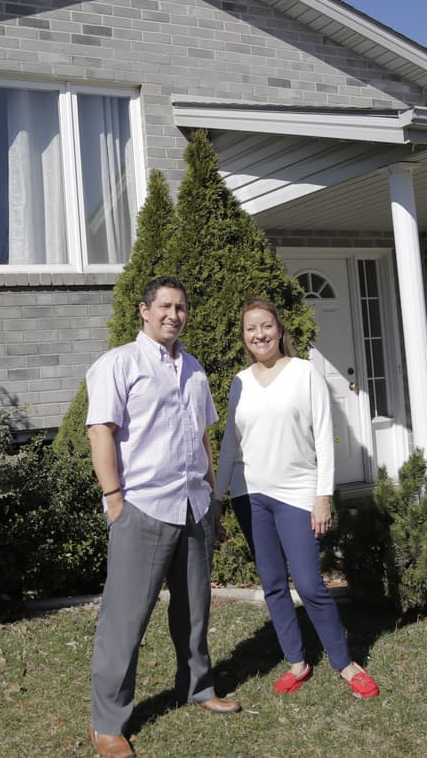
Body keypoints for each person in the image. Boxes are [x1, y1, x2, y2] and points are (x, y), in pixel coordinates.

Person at [86, 276, 241, 758]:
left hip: (193, 506)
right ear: (144, 311)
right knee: (125, 620)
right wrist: (115, 500)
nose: (174, 314)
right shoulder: (119, 364)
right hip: (144, 508)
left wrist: (212, 502)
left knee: (194, 610)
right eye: (165, 306)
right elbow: (101, 432)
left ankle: (197, 687)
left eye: (181, 307)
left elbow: (202, 441)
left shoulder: (193, 369)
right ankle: (108, 723)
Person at [215, 298, 380, 699]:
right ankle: (297, 662)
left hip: (297, 493)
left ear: (280, 329)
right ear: (243, 336)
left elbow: (324, 435)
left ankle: (344, 662)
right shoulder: (240, 382)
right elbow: (230, 444)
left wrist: (323, 495)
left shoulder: (305, 373)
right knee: (272, 584)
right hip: (250, 495)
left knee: (309, 584)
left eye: (267, 326)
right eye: (252, 328)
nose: (260, 334)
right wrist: (218, 497)